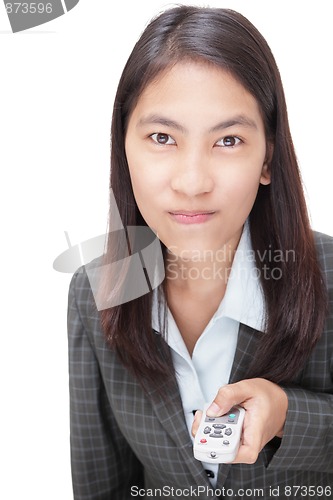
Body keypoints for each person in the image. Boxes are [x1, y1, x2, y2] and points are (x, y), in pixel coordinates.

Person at [67, 5, 333, 499]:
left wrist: (289, 417)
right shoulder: (95, 290)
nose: (192, 183)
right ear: (123, 150)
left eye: (228, 140)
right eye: (162, 138)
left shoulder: (331, 274)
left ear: (267, 158)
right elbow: (100, 480)